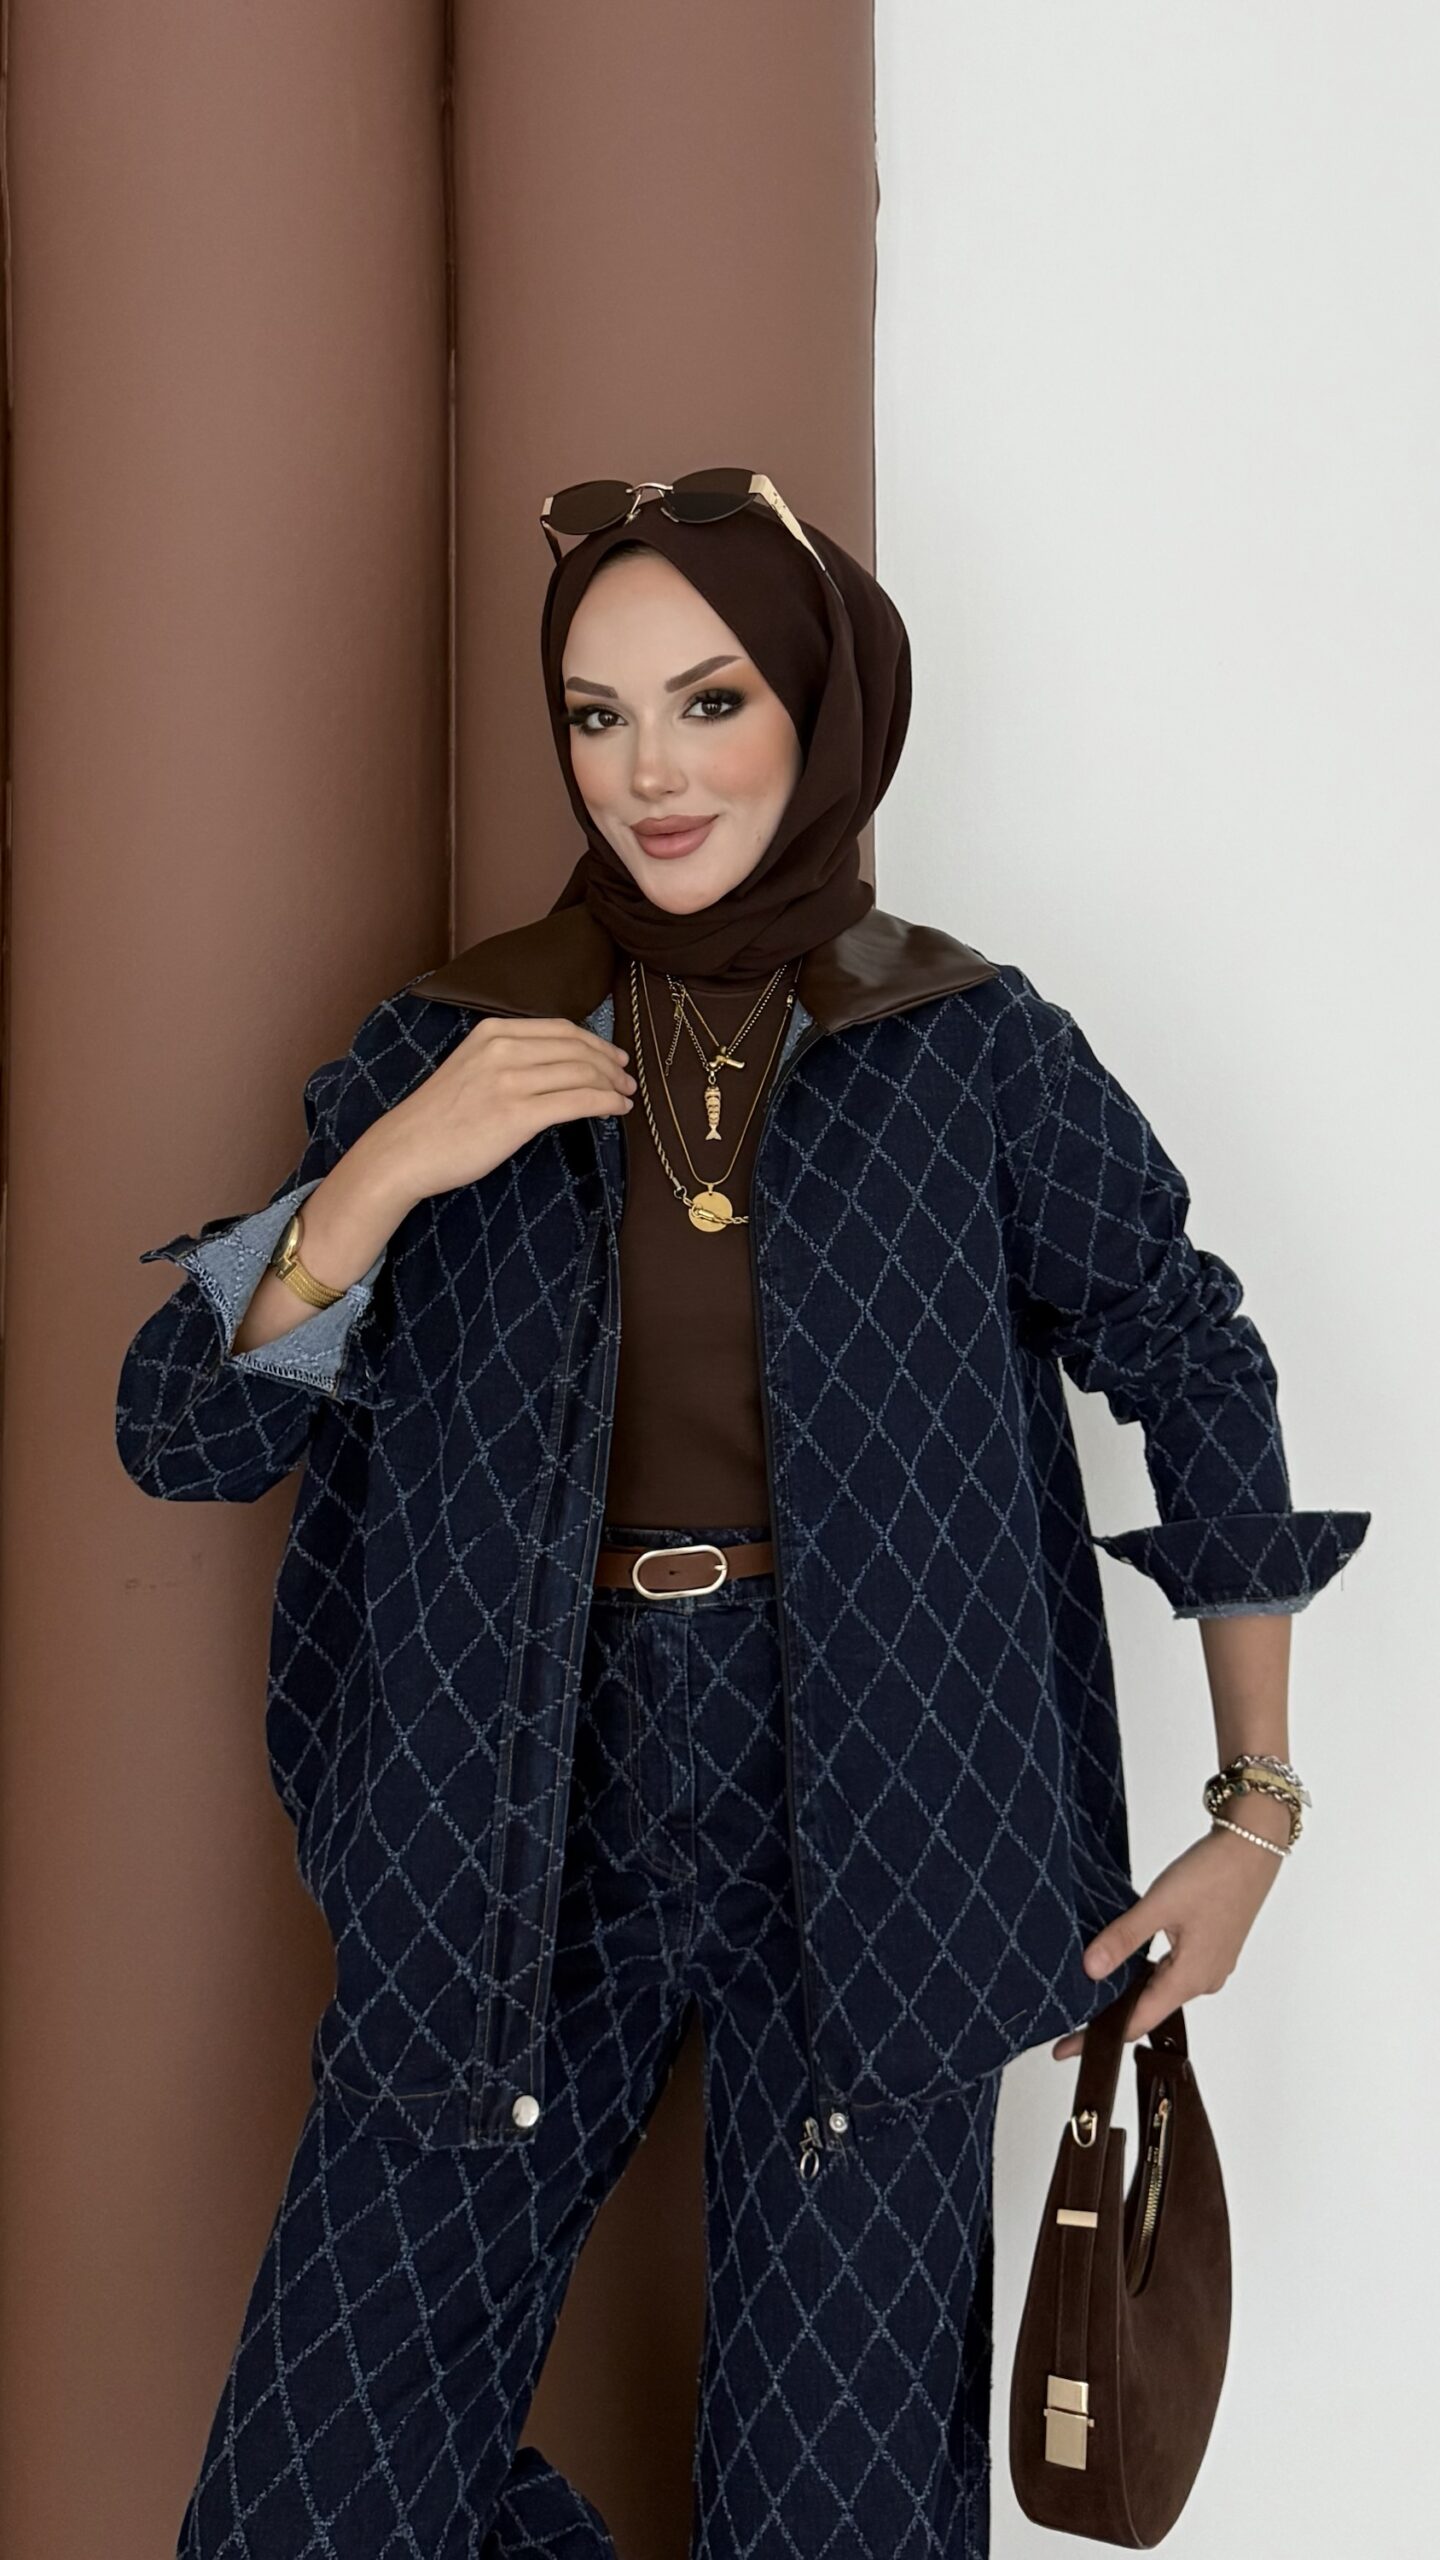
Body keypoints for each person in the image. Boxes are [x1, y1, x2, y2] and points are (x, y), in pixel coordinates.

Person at [116, 476, 1370, 2558]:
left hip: (889, 1799)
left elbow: (1187, 1347)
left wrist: (1256, 1809)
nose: (651, 771)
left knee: (836, 2510)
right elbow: (183, 1437)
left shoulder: (969, 1050)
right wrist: (386, 1171)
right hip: (508, 1802)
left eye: (710, 702)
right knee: (310, 2500)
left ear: (821, 712)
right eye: (597, 715)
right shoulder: (453, 1042)